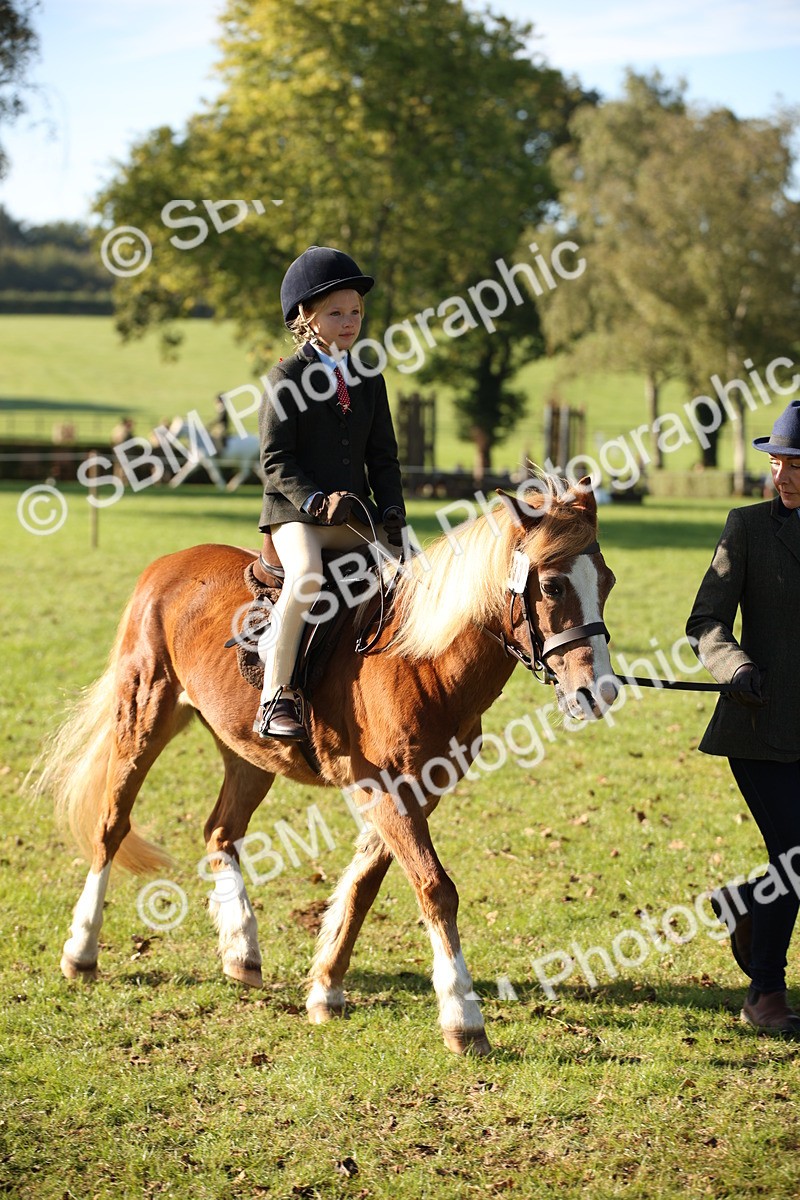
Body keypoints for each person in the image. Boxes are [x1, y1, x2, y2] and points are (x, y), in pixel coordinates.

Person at [253, 245, 406, 740]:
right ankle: (276, 695)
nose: (349, 322)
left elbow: (382, 458)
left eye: (355, 312)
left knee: (413, 572)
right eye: (336, 312)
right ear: (306, 317)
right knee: (307, 577)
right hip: (296, 515)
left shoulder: (369, 379)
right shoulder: (284, 378)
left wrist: (393, 511)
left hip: (353, 515)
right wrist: (316, 501)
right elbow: (275, 461)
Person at [686, 399, 800, 1035]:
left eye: (796, 463)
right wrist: (734, 668)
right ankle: (764, 993)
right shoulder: (749, 527)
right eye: (777, 460)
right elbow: (705, 620)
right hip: (758, 726)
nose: (782, 474)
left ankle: (749, 904)